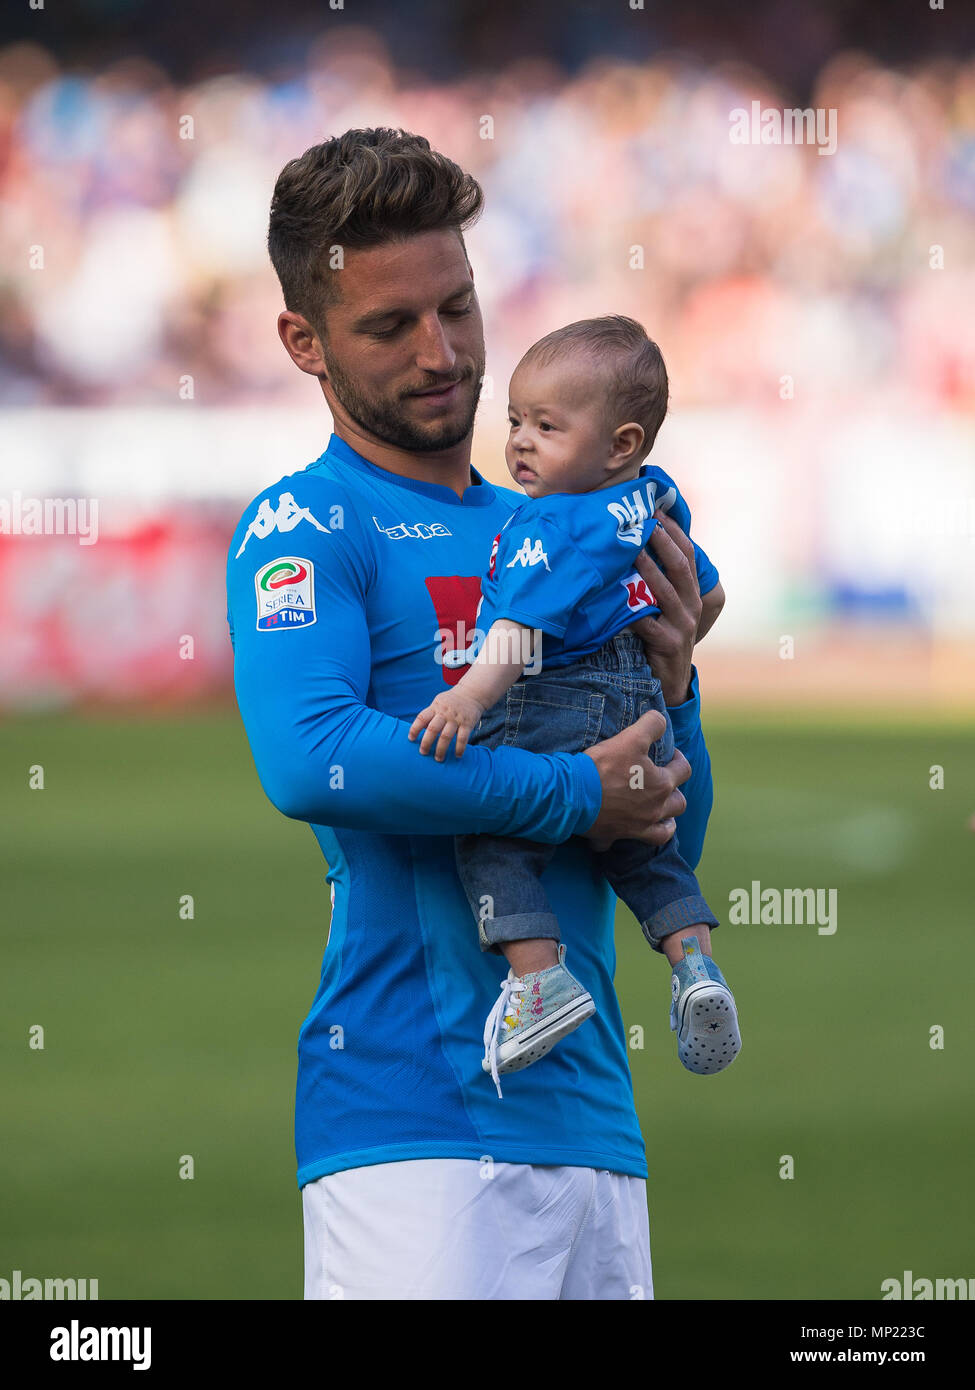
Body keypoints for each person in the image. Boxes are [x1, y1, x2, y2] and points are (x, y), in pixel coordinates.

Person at [227, 127, 714, 1300]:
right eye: (391, 326)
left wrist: (680, 693)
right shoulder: (304, 527)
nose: (442, 355)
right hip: (412, 1131)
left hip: (595, 1118)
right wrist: (571, 792)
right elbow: (314, 759)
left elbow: (669, 838)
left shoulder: (568, 532)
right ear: (305, 340)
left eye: (458, 307)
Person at [409, 316, 740, 1094]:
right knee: (645, 850)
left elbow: (522, 631)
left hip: (554, 698)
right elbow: (708, 593)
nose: (520, 441)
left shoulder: (548, 520)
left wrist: (469, 695)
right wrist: (675, 662)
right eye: (515, 421)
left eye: (547, 426)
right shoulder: (652, 498)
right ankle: (694, 966)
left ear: (620, 442)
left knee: (491, 835)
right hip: (642, 706)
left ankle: (537, 980)